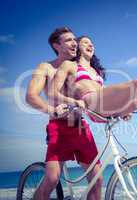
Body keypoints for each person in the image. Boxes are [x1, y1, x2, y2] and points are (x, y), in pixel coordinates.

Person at [26, 27, 103, 200]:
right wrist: (51, 110)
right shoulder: (45, 67)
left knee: (97, 180)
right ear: (56, 45)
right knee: (52, 179)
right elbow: (31, 96)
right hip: (58, 127)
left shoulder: (78, 68)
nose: (74, 43)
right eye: (68, 40)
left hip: (81, 127)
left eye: (75, 39)